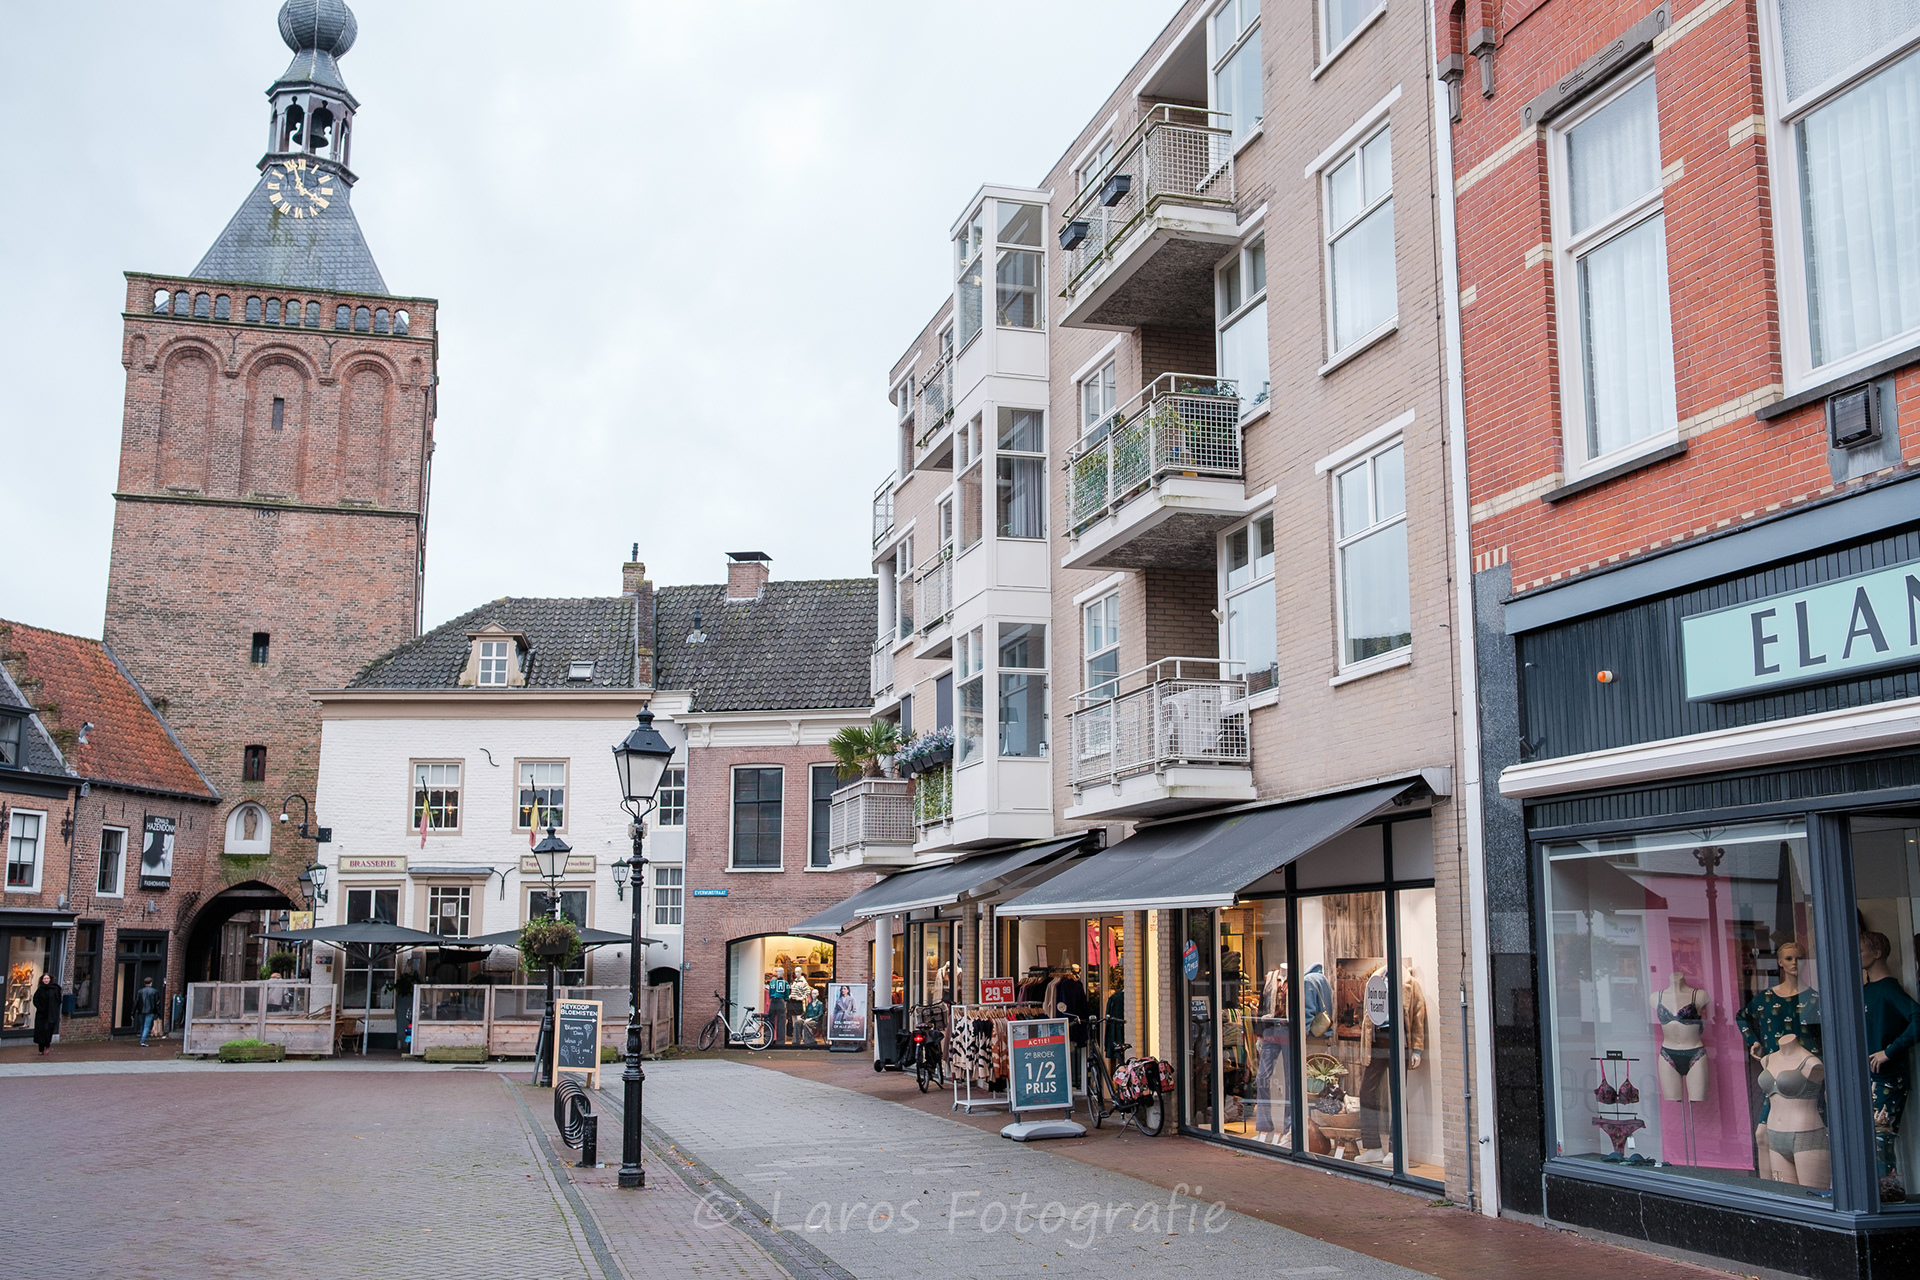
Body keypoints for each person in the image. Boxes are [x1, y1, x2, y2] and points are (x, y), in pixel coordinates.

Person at [32, 973, 61, 1055]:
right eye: (44, 979)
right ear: (42, 980)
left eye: (47, 978)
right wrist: (40, 1007)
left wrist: (54, 1009)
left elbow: (58, 1000)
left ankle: (47, 1045)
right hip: (41, 1014)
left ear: (50, 979)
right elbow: (35, 1000)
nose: (46, 980)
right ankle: (41, 1049)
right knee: (40, 1031)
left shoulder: (55, 989)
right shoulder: (40, 990)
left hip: (51, 1014)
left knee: (48, 1030)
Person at [133, 976, 163, 1046]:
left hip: (141, 1011)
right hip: (150, 1011)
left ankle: (142, 1039)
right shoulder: (154, 991)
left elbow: (135, 1002)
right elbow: (157, 1003)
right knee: (147, 1026)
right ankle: (143, 1041)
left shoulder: (140, 991)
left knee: (142, 1025)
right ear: (151, 983)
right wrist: (158, 1013)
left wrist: (133, 1012)